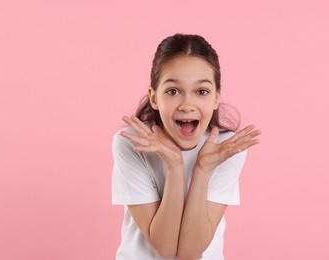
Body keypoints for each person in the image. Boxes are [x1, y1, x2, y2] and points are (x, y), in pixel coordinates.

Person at [111, 33, 261, 260]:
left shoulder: (227, 147)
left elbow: (190, 253)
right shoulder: (131, 142)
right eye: (173, 91)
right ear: (154, 98)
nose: (187, 105)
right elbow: (165, 249)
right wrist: (174, 166)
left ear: (216, 98)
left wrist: (203, 169)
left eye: (202, 92)